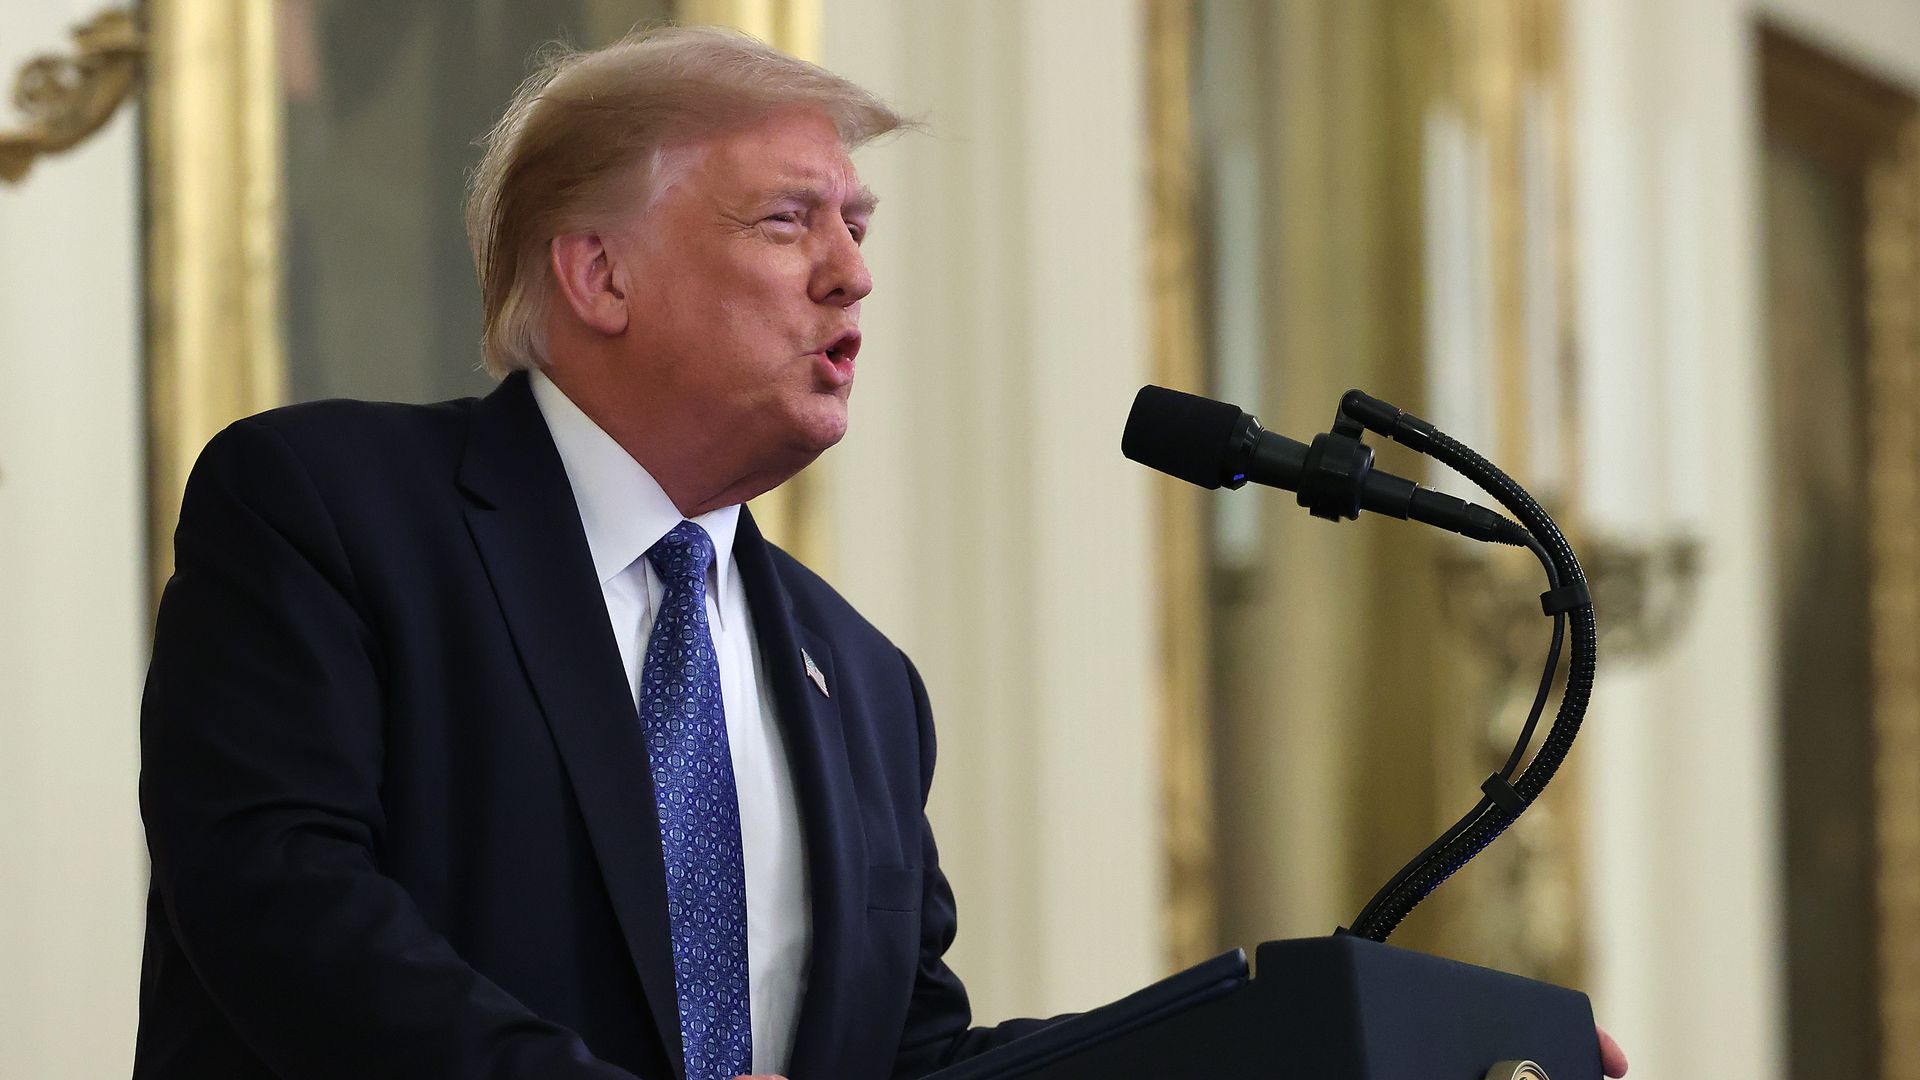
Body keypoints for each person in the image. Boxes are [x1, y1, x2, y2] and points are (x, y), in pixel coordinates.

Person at [134, 26, 1045, 1080]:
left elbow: (906, 1055)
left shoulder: (869, 682)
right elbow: (281, 907)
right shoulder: (328, 513)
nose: (852, 275)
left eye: (856, 226)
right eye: (788, 221)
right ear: (601, 274)